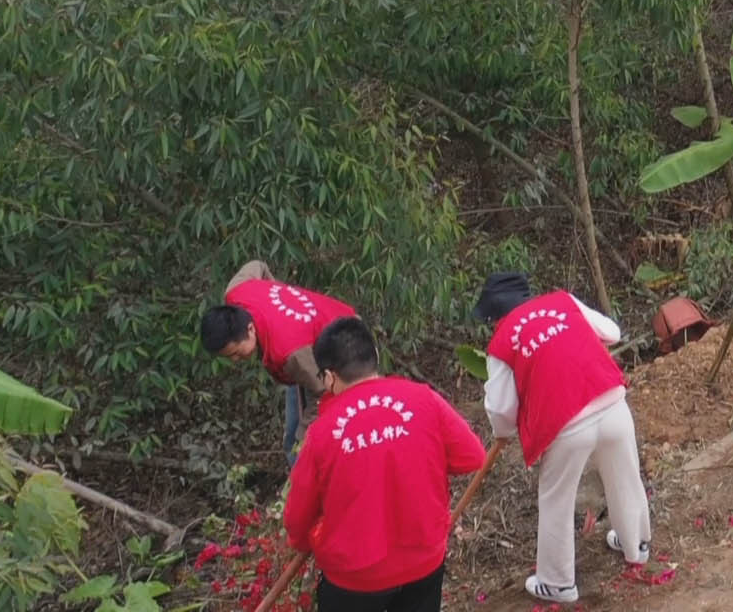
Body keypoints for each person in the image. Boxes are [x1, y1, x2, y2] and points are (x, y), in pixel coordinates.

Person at [283, 318, 486, 612]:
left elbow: (297, 518)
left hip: (355, 578)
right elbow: (472, 456)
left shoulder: (322, 433)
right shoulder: (424, 399)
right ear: (375, 356)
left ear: (328, 377)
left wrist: (305, 540)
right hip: (423, 561)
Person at [474, 272, 650, 603]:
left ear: (494, 315)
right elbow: (611, 332)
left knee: (556, 499)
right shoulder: (562, 301)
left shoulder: (501, 343)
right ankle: (636, 545)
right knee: (625, 477)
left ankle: (557, 583)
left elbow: (500, 408)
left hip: (565, 424)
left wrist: (505, 432)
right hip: (610, 399)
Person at [201, 261, 357, 462]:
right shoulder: (237, 291)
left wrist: (304, 439)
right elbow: (257, 264)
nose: (235, 360)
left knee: (300, 449)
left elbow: (325, 391)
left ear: (250, 329)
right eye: (229, 357)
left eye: (237, 353)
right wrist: (277, 301)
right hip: (309, 346)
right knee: (293, 440)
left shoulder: (289, 354)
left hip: (346, 345)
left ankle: (301, 487)